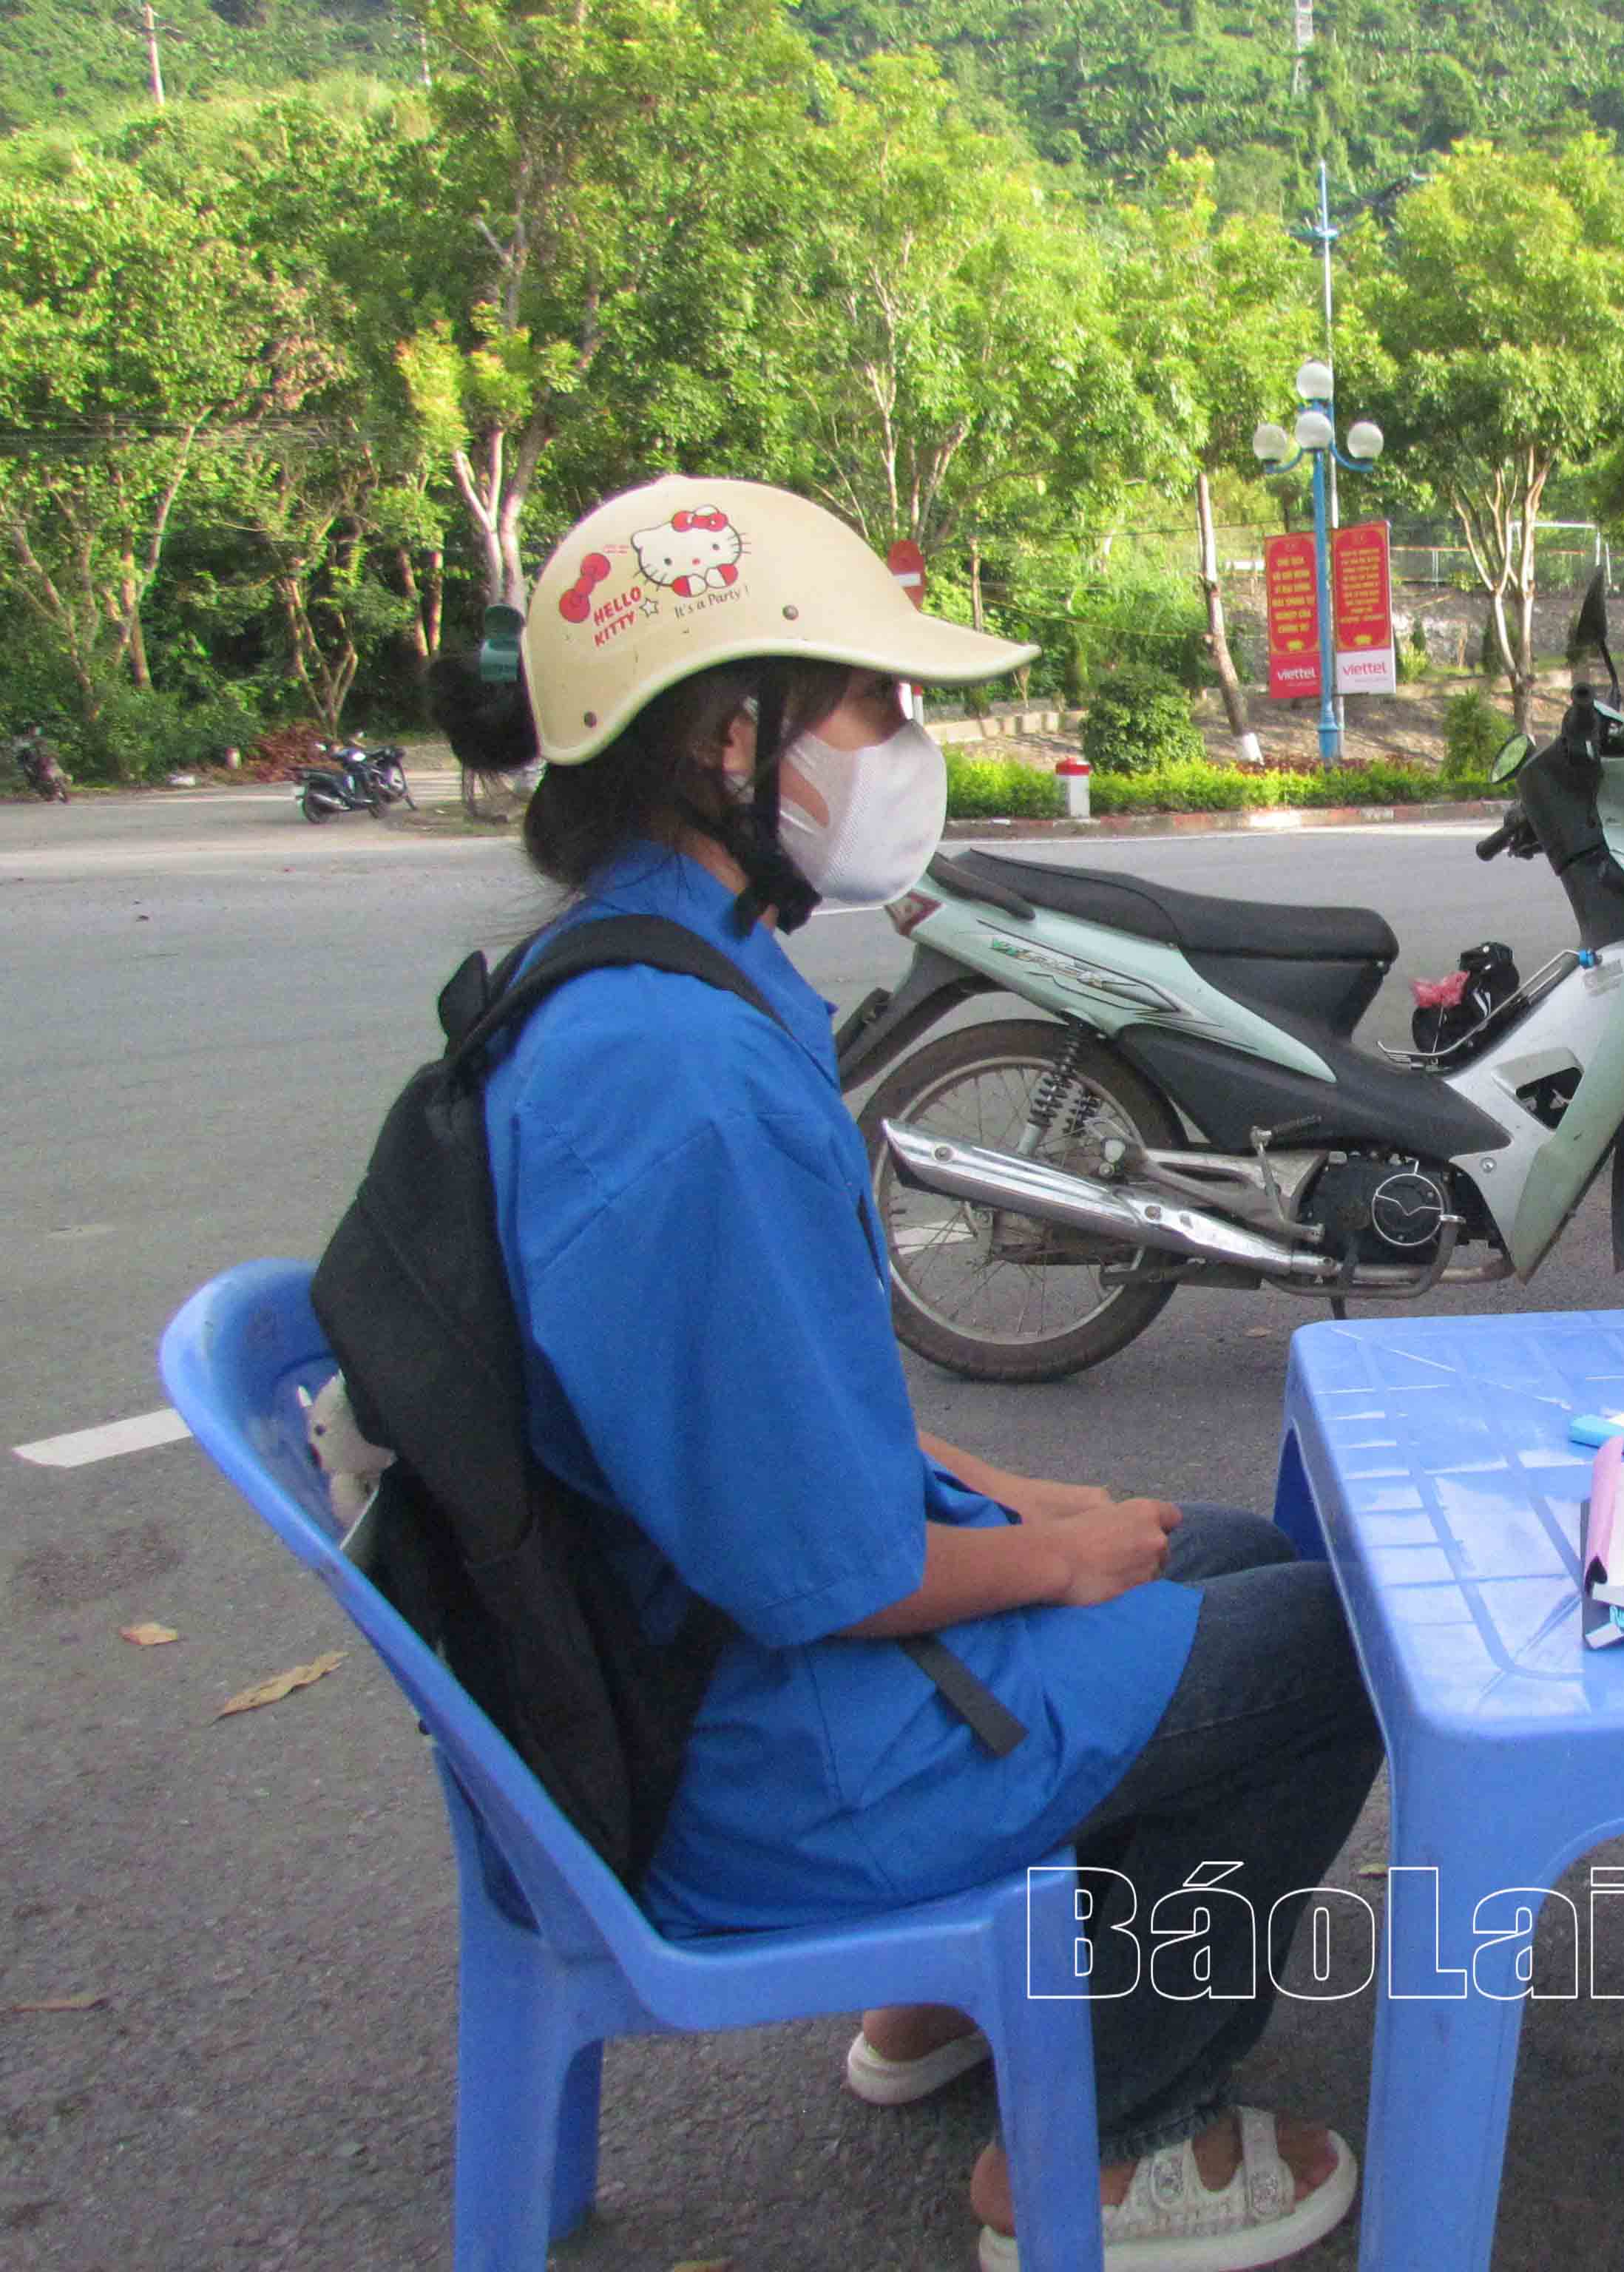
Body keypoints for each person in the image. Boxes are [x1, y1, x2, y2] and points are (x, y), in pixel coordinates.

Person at [434, 474, 1382, 2272]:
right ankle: (1095, 2143)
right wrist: (1052, 1559)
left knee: (1235, 1562)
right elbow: (825, 1568)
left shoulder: (640, 971)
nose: (910, 742)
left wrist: (1034, 1500)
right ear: (735, 738)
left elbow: (764, 1412)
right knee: (1340, 1652)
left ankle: (961, 2003)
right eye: (876, 703)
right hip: (761, 1754)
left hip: (698, 1668)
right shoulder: (676, 1078)